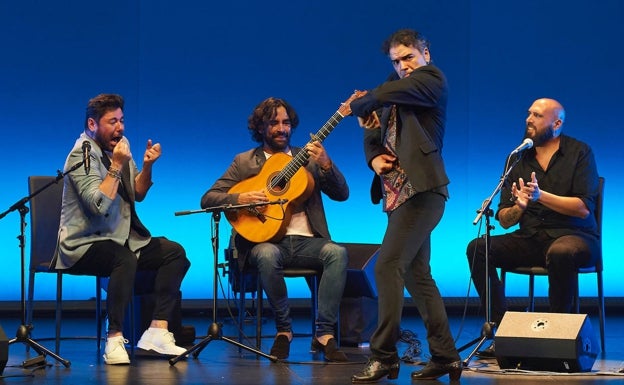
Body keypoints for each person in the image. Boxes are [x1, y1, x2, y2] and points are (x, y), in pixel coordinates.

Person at [347, 29, 462, 382]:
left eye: (408, 56)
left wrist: (364, 101)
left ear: (425, 52)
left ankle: (384, 356)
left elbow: (376, 100)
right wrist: (373, 158)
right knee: (416, 274)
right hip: (398, 194)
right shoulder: (390, 91)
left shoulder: (431, 80)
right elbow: (372, 129)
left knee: (386, 266)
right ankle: (445, 356)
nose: (403, 66)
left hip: (424, 191)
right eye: (396, 61)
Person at [200, 97, 349, 361]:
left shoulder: (309, 158)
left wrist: (327, 164)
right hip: (266, 242)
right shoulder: (245, 162)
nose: (281, 129)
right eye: (273, 123)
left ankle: (324, 333)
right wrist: (238, 199)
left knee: (337, 253)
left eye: (286, 123)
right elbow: (208, 198)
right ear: (260, 128)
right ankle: (284, 330)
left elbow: (342, 194)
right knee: (268, 255)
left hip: (307, 241)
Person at [53, 93, 191, 365]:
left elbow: (137, 193)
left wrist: (148, 166)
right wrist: (116, 165)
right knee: (122, 258)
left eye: (122, 120)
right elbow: (98, 206)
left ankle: (156, 332)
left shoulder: (120, 145)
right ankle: (114, 338)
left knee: (175, 253)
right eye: (112, 121)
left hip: (120, 236)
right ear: (92, 124)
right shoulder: (81, 155)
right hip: (83, 242)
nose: (120, 128)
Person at [466, 98, 600, 357]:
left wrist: (541, 196)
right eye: (528, 114)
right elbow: (505, 219)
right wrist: (520, 206)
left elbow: (584, 208)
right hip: (531, 238)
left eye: (537, 115)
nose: (529, 119)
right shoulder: (517, 158)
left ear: (557, 123)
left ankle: (558, 336)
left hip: (576, 236)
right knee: (478, 248)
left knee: (561, 252)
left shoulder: (579, 152)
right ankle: (502, 331)